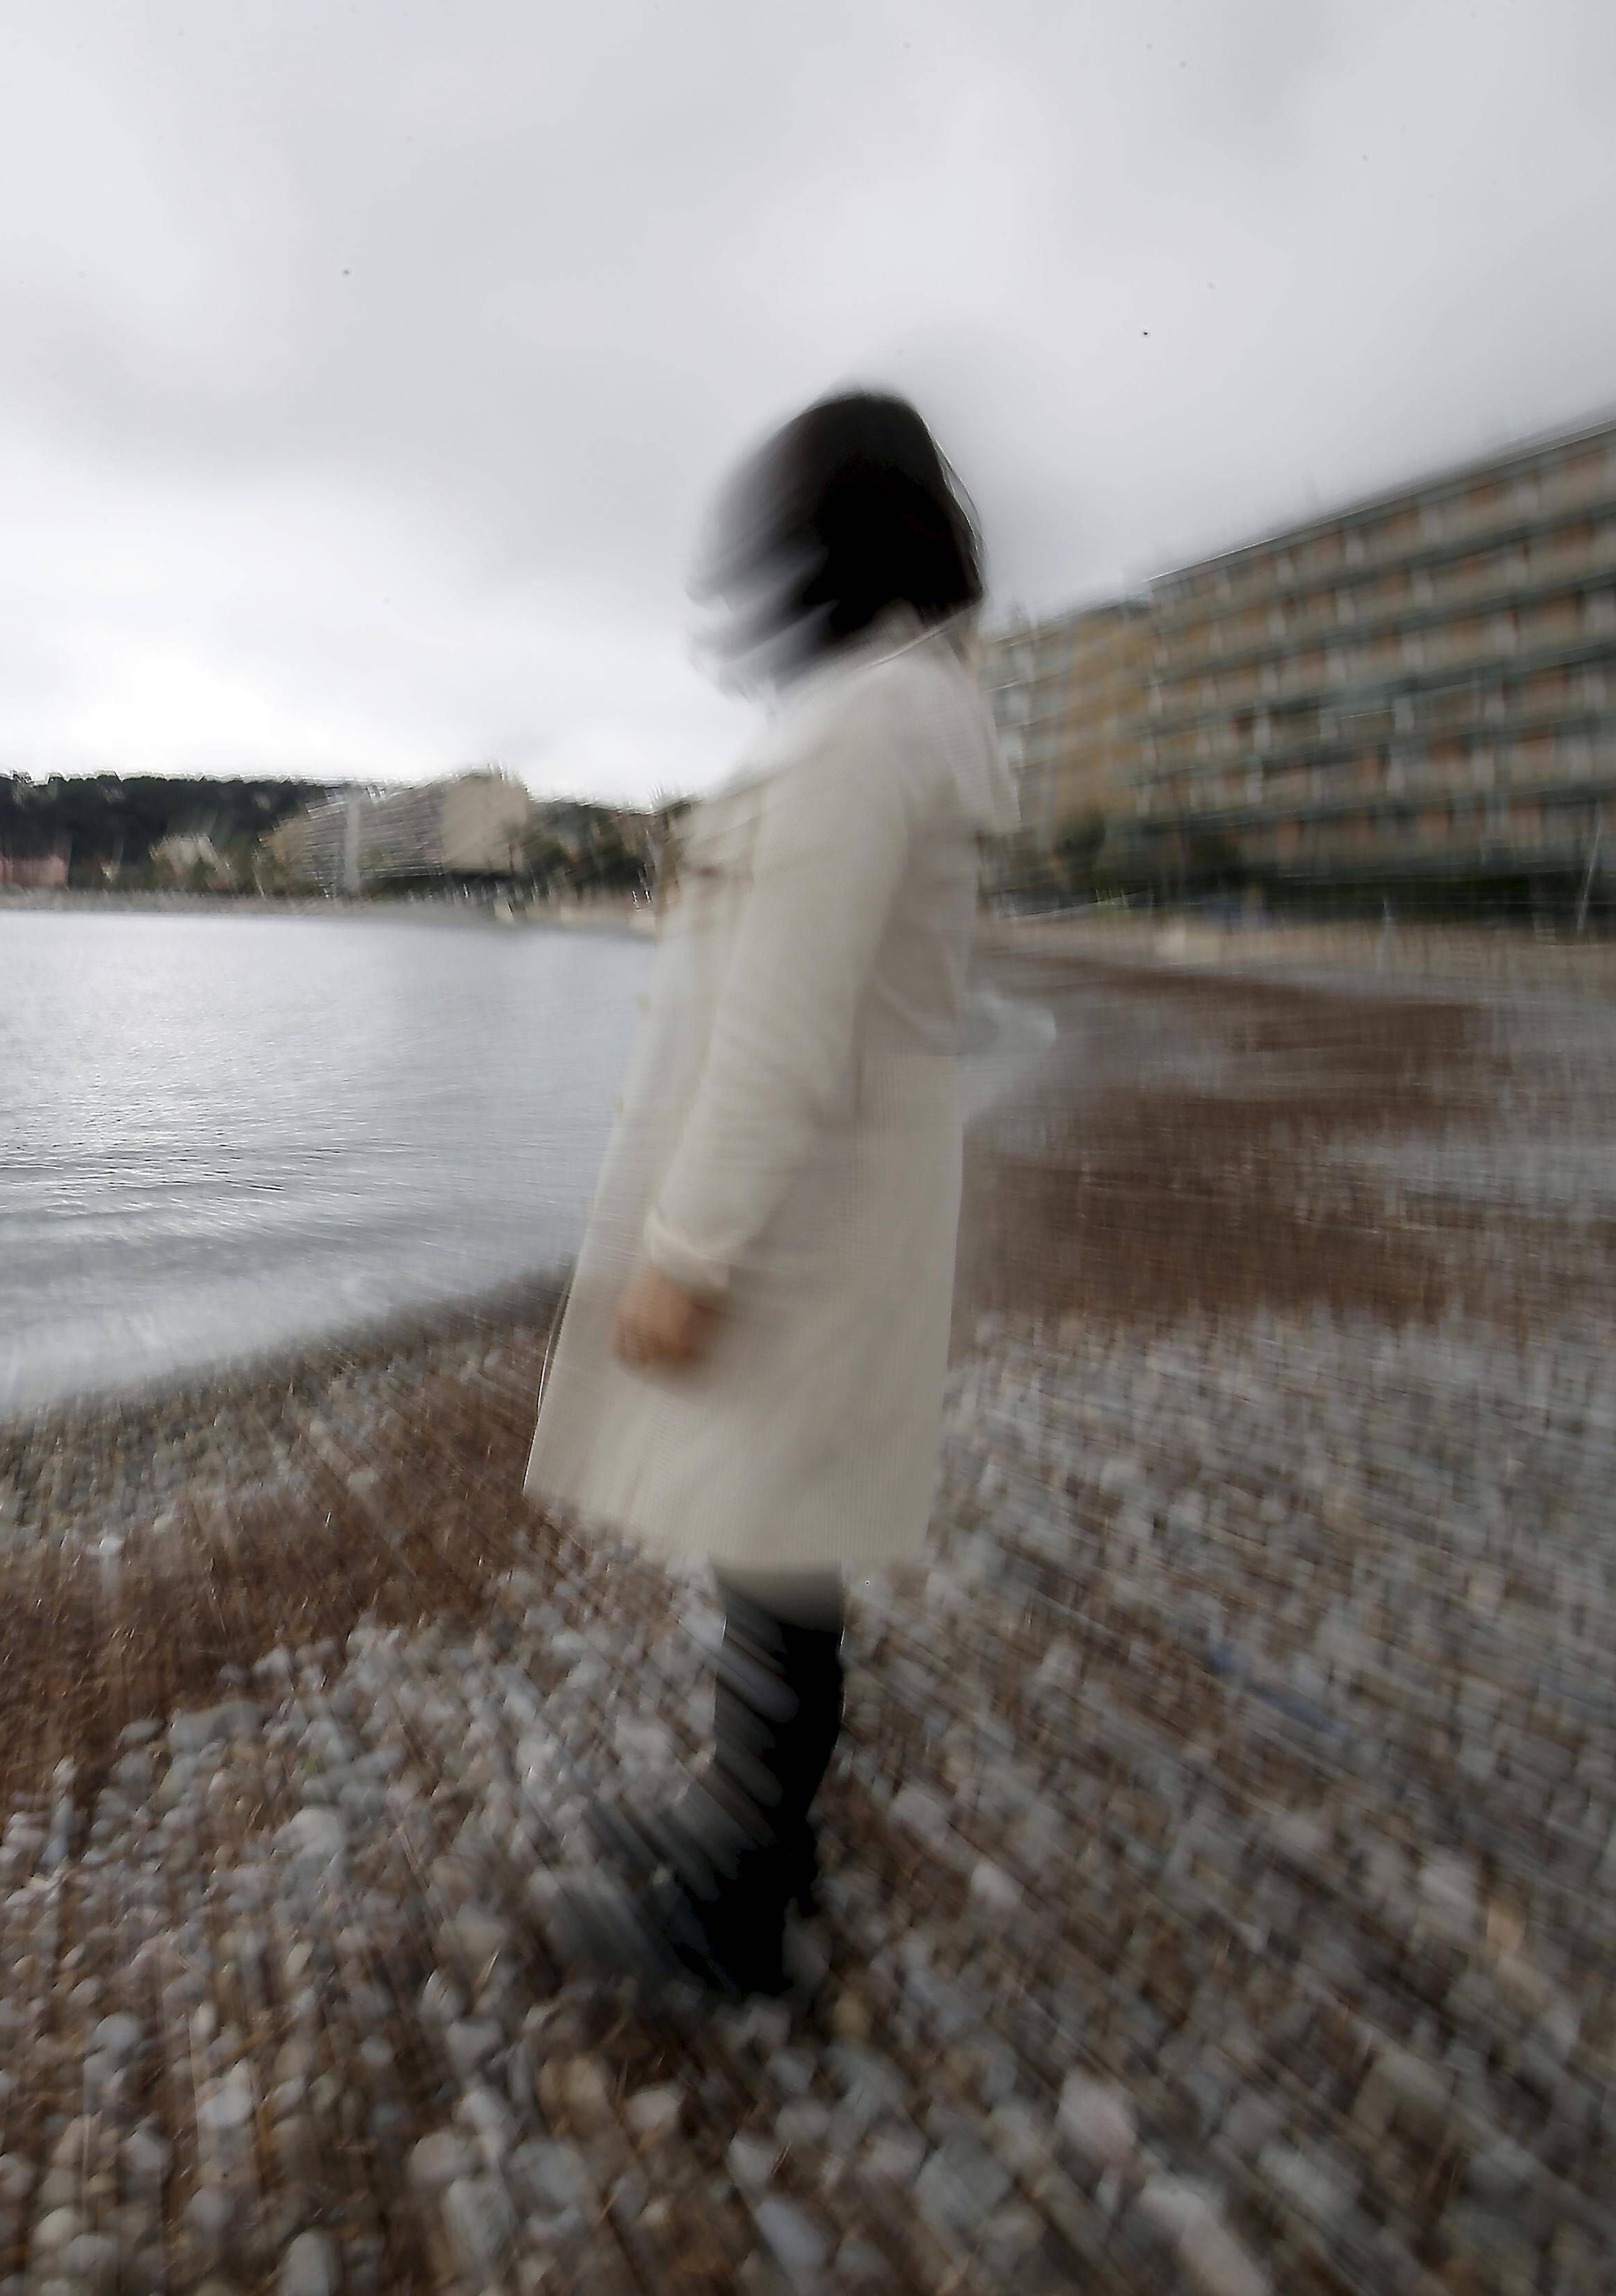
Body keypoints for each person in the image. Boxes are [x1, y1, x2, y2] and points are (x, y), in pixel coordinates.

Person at [526, 389, 1008, 1996]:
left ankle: (732, 1895)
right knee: (772, 1524)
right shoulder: (908, 705)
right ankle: (749, 1831)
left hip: (802, 1210)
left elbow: (783, 1031)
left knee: (772, 1524)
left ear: (824, 538)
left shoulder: (870, 727)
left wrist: (685, 1250)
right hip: (845, 1190)